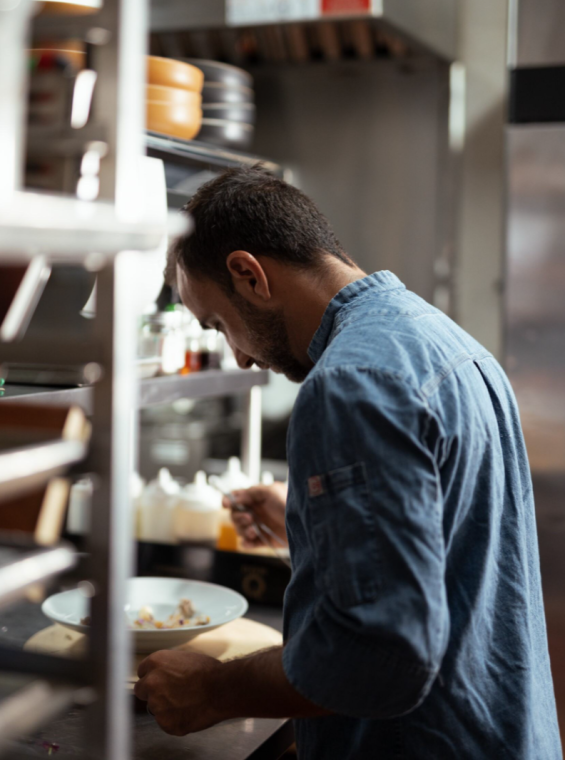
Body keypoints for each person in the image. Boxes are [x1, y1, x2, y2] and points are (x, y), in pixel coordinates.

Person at [134, 166, 561, 759]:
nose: (239, 355)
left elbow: (379, 657)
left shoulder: (349, 385)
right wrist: (311, 522)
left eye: (220, 324)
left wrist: (212, 687)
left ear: (248, 274)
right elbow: (461, 542)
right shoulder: (443, 341)